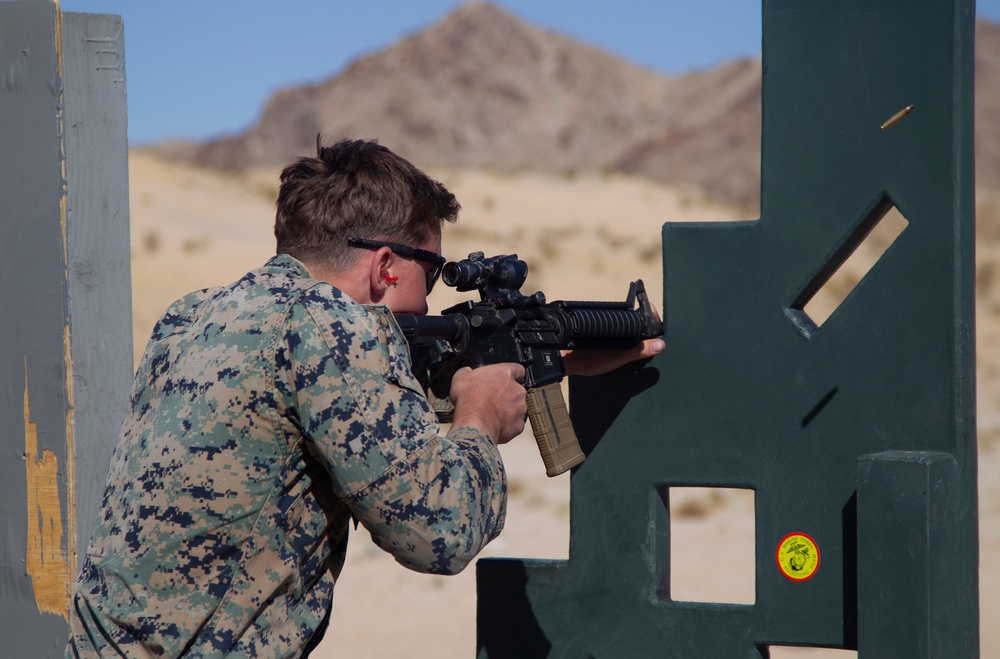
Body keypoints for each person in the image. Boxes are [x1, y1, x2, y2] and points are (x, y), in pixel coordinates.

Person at [66, 138, 664, 658]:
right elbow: (442, 530)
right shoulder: (338, 328)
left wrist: (539, 362)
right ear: (386, 267)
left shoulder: (193, 315)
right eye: (430, 276)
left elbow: (331, 410)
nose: (429, 305)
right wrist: (479, 417)